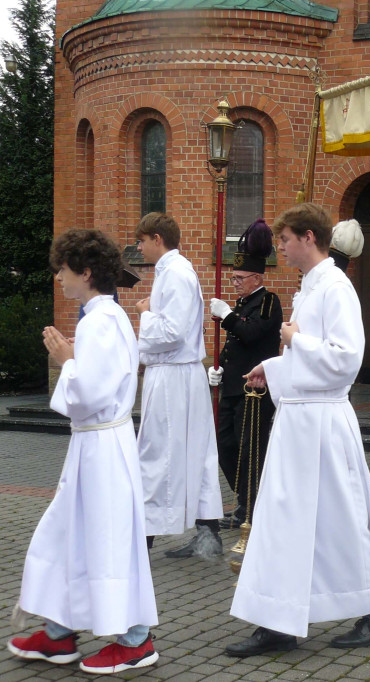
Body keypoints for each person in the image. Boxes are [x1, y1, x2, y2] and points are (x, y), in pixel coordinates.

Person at [227, 203, 370, 656]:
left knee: (341, 520)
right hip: (298, 420)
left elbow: (345, 358)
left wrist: (293, 341)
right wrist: (273, 366)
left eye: (284, 240)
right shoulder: (309, 287)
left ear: (307, 237)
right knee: (283, 521)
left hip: (323, 422)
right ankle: (278, 618)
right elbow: (306, 355)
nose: (278, 248)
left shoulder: (336, 287)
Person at [8, 229, 159, 674]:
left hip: (103, 448)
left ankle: (135, 640)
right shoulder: (102, 317)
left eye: (63, 269)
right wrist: (75, 359)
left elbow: (88, 393)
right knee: (68, 536)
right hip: (96, 446)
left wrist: (65, 362)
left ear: (86, 272)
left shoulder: (100, 320)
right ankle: (58, 632)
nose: (58, 277)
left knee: (106, 540)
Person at [134, 212, 224, 557]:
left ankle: (143, 540)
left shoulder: (175, 274)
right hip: (178, 374)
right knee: (190, 451)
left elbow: (171, 332)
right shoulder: (172, 272)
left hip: (173, 375)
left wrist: (144, 314)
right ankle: (206, 532)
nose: (139, 247)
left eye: (142, 241)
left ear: (158, 238)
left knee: (160, 454)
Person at [207, 219, 283, 530]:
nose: (235, 282)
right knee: (225, 445)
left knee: (249, 449)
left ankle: (250, 507)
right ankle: (244, 498)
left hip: (255, 390)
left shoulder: (267, 302)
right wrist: (219, 369)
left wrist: (226, 316)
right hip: (232, 386)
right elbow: (234, 346)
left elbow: (252, 334)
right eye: (233, 277)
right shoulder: (242, 302)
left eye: (239, 278)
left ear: (255, 277)